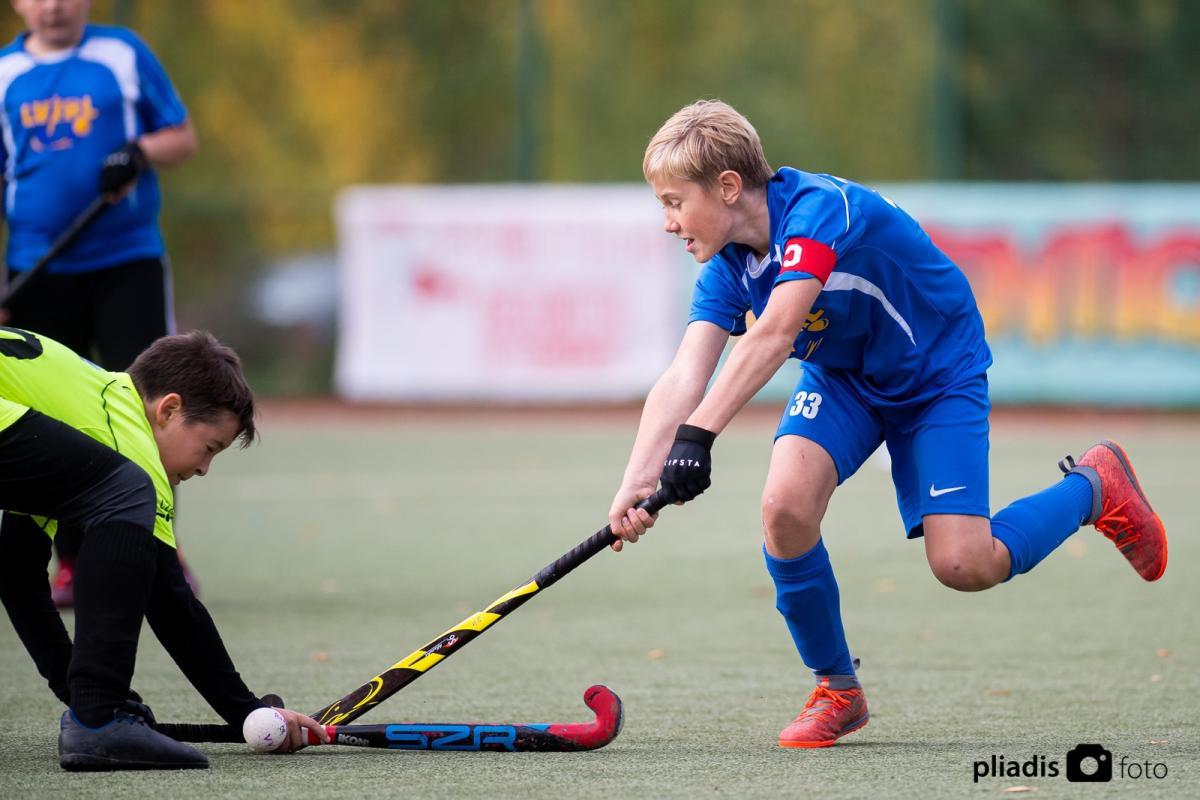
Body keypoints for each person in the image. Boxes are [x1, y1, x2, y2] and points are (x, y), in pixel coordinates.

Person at [607, 100, 1168, 749]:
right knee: (784, 508)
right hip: (846, 377)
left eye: (675, 203)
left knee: (964, 564)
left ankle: (1094, 487)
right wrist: (637, 479)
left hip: (937, 373)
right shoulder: (729, 267)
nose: (668, 222)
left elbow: (776, 333)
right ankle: (837, 690)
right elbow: (685, 374)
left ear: (728, 186)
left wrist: (697, 438)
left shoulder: (818, 210)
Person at [0, 327, 329, 770]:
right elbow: (171, 599)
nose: (205, 469)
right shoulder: (126, 437)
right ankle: (100, 720)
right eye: (208, 448)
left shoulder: (76, 416)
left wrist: (74, 690)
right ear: (169, 409)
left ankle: (96, 712)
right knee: (128, 488)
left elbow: (18, 573)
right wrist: (245, 711)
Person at [0, 0, 200, 606]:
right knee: (49, 420)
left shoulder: (123, 53)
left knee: (146, 408)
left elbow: (182, 139)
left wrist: (138, 152)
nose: (54, 6)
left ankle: (158, 550)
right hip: (36, 269)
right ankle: (74, 562)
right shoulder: (5, 73)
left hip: (126, 263)